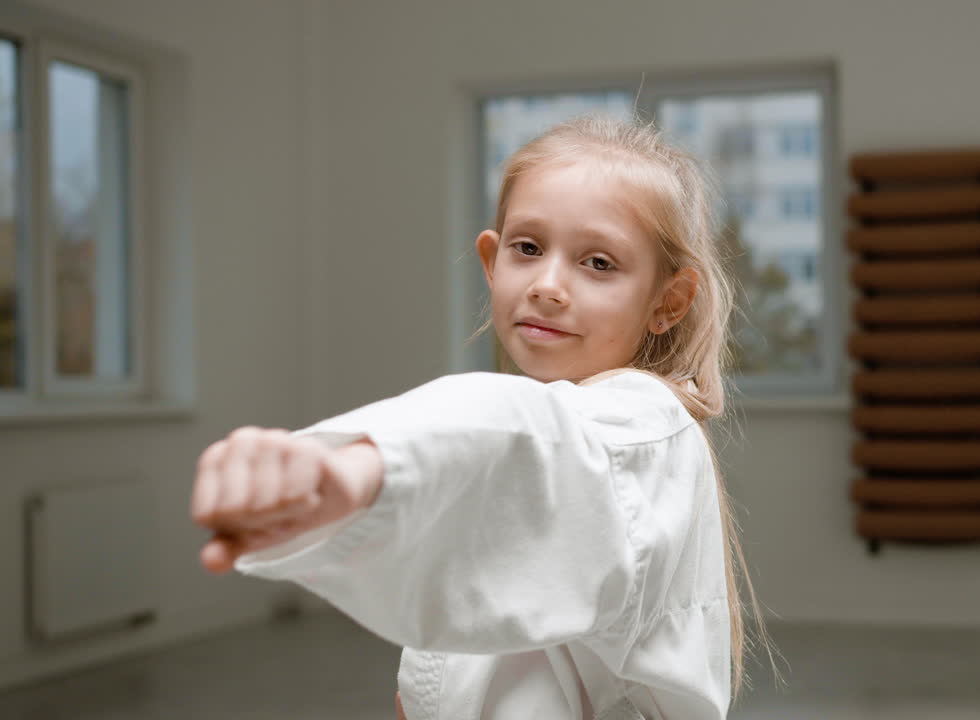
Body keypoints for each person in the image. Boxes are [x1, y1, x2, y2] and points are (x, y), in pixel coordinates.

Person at [189, 113, 783, 719]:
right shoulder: (545, 422)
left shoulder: (646, 426)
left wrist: (358, 472)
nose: (548, 285)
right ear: (491, 262)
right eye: (528, 248)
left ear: (668, 301)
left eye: (599, 263)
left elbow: (528, 440)